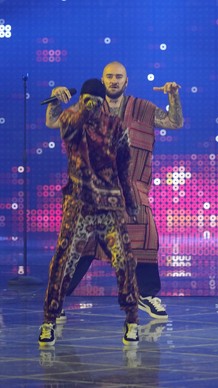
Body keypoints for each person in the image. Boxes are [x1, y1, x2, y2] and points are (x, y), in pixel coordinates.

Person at [45, 61, 184, 320]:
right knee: (80, 245)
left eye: (118, 77)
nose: (113, 81)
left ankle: (148, 294)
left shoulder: (142, 108)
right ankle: (58, 299)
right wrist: (56, 98)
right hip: (94, 191)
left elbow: (175, 122)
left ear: (126, 81)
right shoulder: (88, 108)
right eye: (109, 76)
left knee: (146, 235)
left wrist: (173, 96)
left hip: (132, 188)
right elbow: (54, 122)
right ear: (103, 79)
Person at [39, 78, 140, 347]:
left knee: (125, 261)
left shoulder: (116, 126)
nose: (92, 106)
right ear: (82, 99)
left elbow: (123, 168)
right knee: (63, 259)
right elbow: (61, 125)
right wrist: (67, 104)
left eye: (96, 101)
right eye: (88, 100)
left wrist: (130, 202)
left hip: (108, 205)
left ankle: (132, 321)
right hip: (79, 203)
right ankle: (49, 320)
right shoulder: (73, 119)